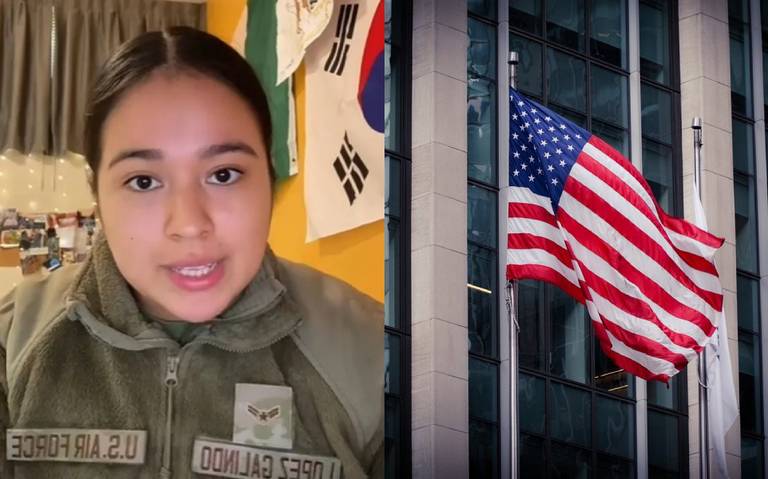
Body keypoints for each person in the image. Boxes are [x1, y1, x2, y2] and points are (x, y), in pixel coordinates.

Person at [0, 27, 383, 479]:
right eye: (144, 181)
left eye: (223, 174)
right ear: (98, 194)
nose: (189, 223)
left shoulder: (376, 352)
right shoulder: (14, 341)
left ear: (269, 176)